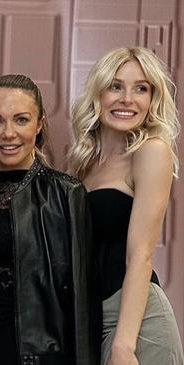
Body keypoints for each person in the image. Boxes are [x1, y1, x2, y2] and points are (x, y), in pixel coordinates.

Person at [0, 74, 100, 364]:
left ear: (39, 124)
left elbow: (82, 300)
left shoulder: (66, 192)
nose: (8, 133)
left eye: (21, 120)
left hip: (29, 354)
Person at [67, 47, 183, 365]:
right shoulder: (82, 162)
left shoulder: (151, 152)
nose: (127, 99)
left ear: (152, 100)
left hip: (137, 322)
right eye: (115, 86)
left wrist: (124, 344)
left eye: (141, 88)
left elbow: (141, 254)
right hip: (90, 320)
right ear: (98, 93)